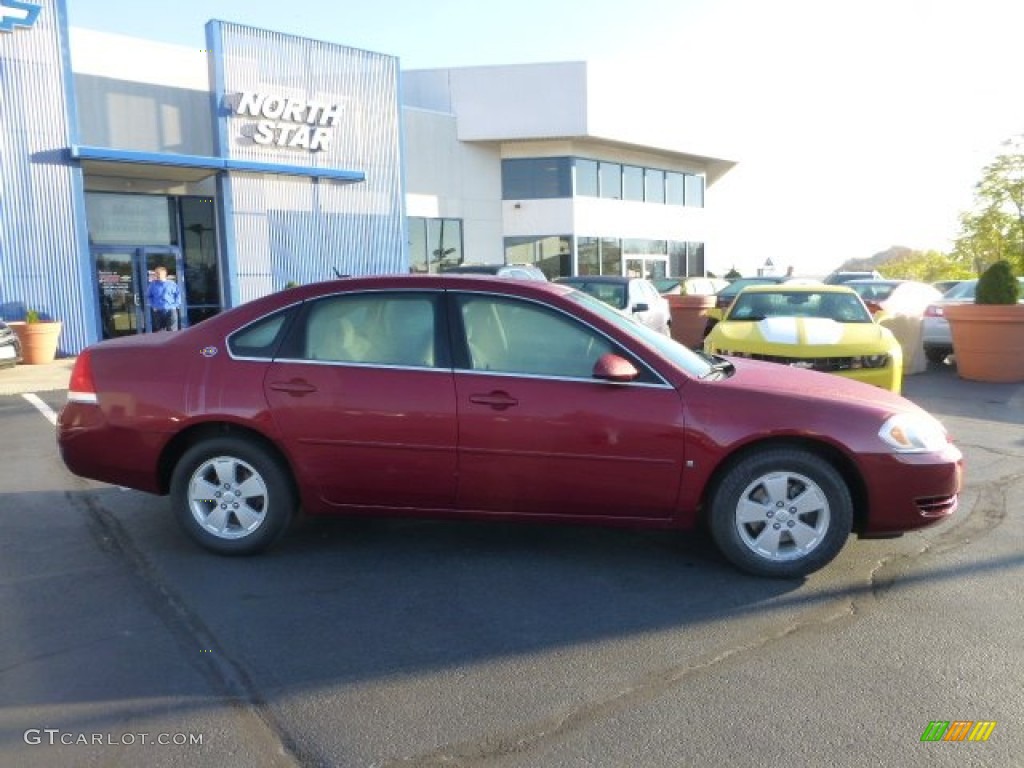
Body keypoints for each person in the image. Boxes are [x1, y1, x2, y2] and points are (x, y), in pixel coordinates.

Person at [147, 266, 181, 331]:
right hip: (158, 311)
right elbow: (149, 296)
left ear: (164, 274)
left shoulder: (172, 284)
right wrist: (153, 306)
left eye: (158, 273)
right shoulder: (152, 285)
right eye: (156, 273)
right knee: (160, 332)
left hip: (171, 311)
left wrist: (175, 306)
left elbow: (178, 295)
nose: (157, 275)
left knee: (172, 332)